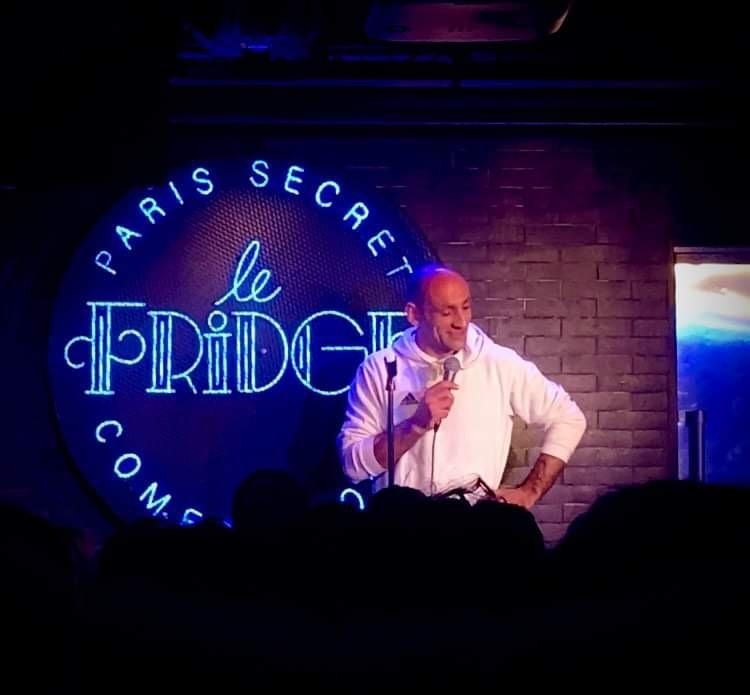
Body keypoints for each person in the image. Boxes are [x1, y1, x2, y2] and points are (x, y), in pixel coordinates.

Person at [336, 263, 587, 508]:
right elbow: (352, 466)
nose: (461, 322)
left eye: (465, 307)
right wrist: (415, 425)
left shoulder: (499, 363)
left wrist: (530, 491)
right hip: (402, 526)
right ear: (414, 314)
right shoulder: (380, 368)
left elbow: (568, 417)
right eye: (446, 313)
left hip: (472, 527)